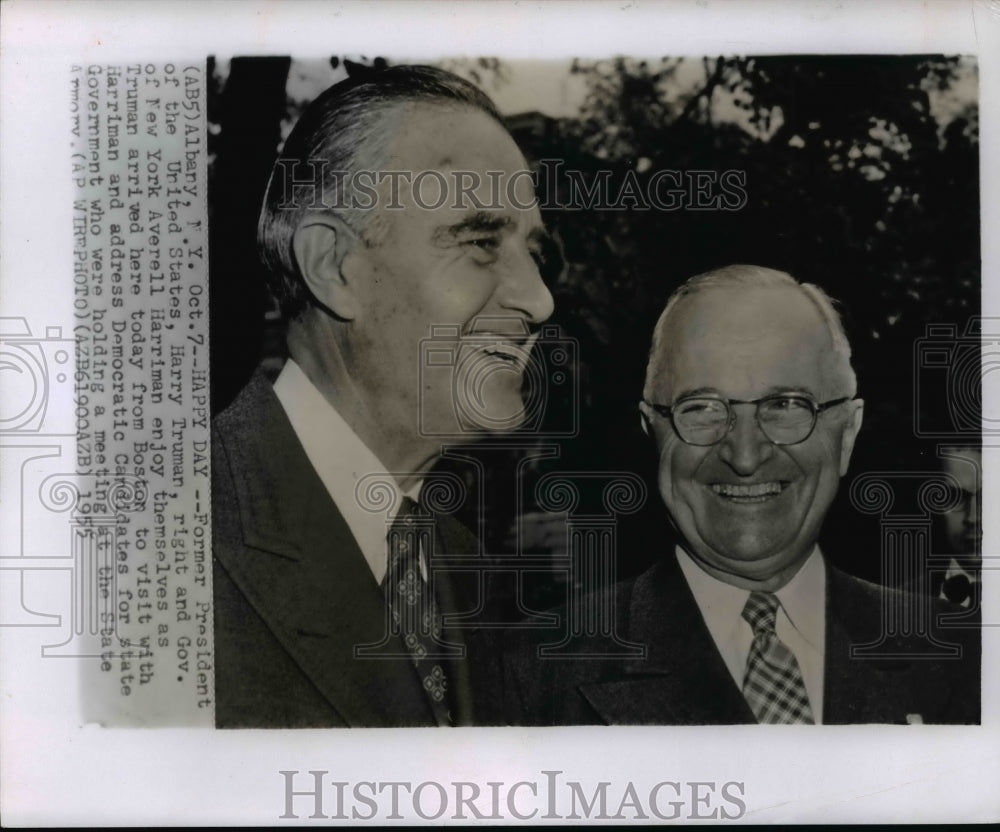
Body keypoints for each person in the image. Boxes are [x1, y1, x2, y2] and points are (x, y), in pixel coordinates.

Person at [212, 65, 555, 727]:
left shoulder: (465, 566)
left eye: (532, 249)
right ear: (334, 268)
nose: (540, 298)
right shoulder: (152, 546)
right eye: (481, 241)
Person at [505, 265, 979, 725]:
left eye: (787, 405)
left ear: (847, 434)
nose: (746, 455)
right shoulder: (533, 675)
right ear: (653, 431)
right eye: (702, 408)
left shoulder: (966, 657)